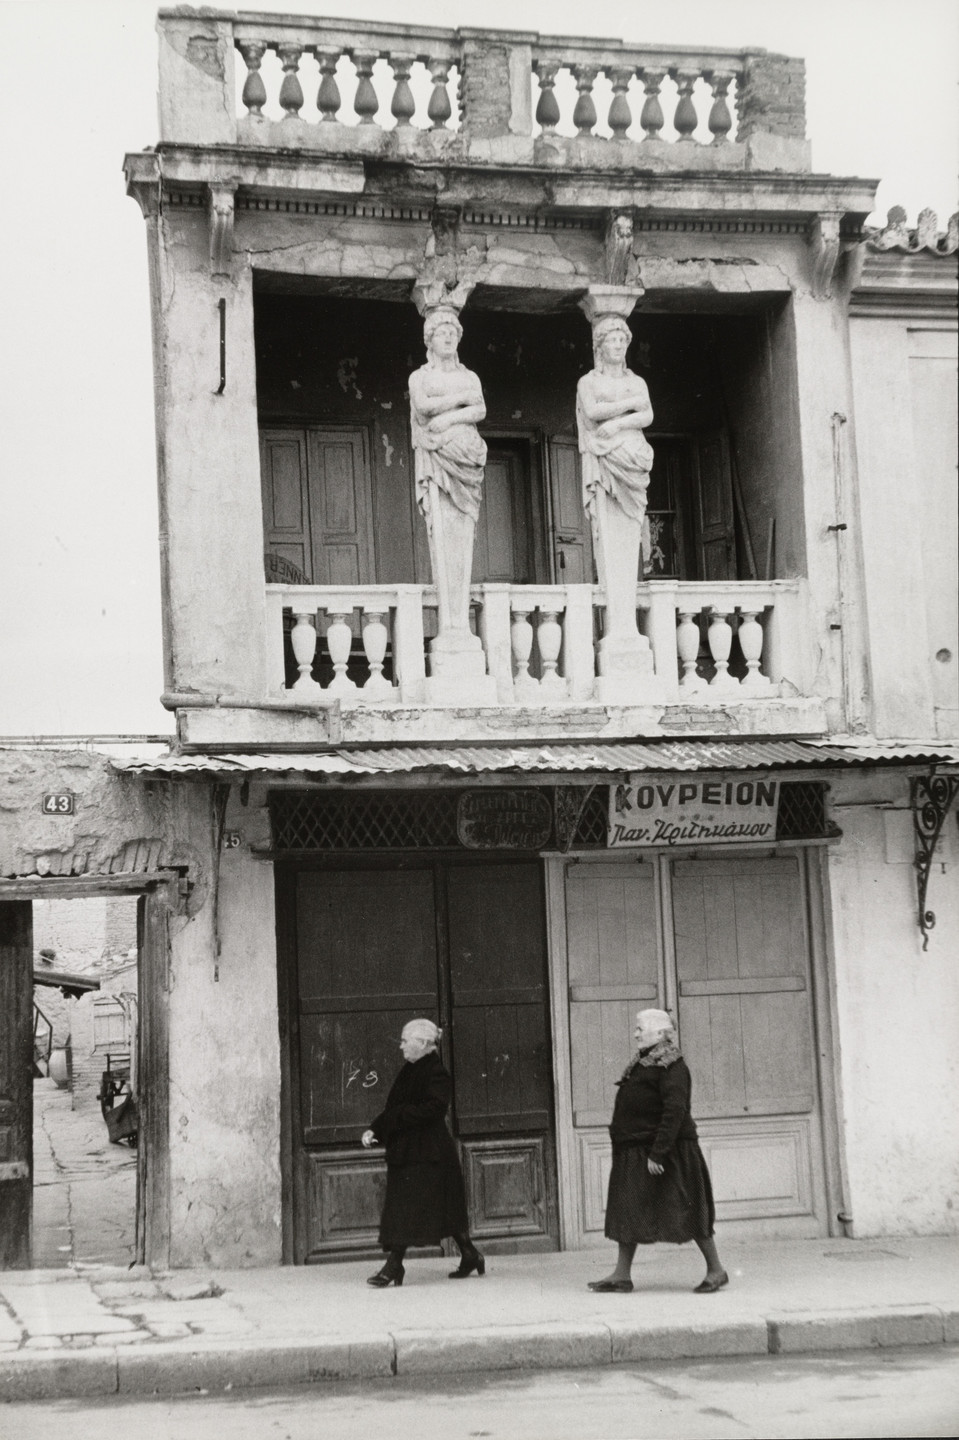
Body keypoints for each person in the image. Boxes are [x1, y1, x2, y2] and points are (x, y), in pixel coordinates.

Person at [588, 1008, 728, 1295]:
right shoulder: (644, 1063)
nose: (636, 1033)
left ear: (661, 1033)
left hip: (668, 1153)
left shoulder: (672, 1066)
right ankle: (621, 1275)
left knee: (687, 1208)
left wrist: (658, 1153)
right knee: (628, 1210)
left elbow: (676, 1110)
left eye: (641, 1028)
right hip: (636, 1150)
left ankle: (716, 1270)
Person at [361, 1018, 484, 1287]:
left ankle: (394, 1266)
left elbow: (433, 1110)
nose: (401, 1047)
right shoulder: (410, 1069)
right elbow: (395, 1108)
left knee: (405, 1207)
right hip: (411, 1150)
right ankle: (470, 1253)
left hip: (429, 1152)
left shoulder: (436, 1072)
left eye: (405, 1041)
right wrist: (376, 1129)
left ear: (423, 1044)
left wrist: (397, 1119)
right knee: (439, 1207)